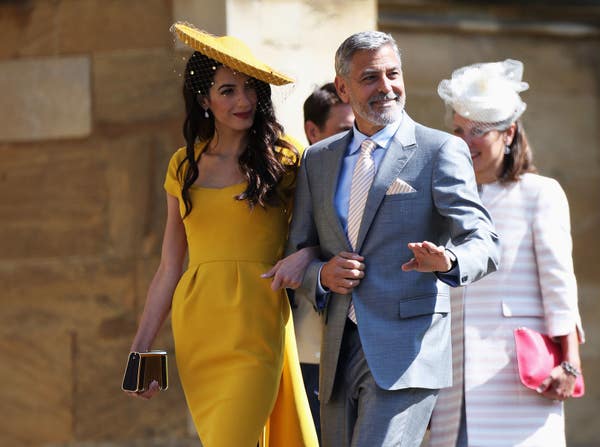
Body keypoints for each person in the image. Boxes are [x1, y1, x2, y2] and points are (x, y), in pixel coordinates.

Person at [285, 31, 500, 447]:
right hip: (336, 352)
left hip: (407, 351)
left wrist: (449, 261)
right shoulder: (318, 159)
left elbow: (484, 239)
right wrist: (322, 275)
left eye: (393, 74)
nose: (386, 87)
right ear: (342, 87)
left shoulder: (440, 150)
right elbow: (300, 251)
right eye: (370, 78)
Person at [124, 22, 318, 447]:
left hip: (259, 318)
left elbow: (319, 234)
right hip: (199, 326)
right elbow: (170, 265)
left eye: (250, 88)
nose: (244, 100)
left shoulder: (286, 157)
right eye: (228, 90)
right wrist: (142, 347)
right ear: (204, 99)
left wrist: (305, 257)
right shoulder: (182, 165)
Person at [428, 59, 585, 447]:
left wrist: (570, 363)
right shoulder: (443, 200)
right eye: (459, 130)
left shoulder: (539, 192)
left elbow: (559, 284)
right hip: (453, 381)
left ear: (509, 132)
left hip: (520, 376)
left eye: (479, 130)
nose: (466, 141)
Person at [294, 82, 355, 439]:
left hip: (364, 357)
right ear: (312, 132)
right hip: (307, 354)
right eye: (345, 131)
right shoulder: (287, 183)